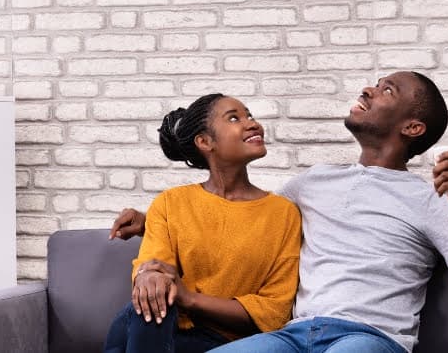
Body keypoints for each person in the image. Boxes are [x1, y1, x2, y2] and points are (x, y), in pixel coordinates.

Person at [110, 71, 448, 353]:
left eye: (386, 90)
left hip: (368, 337)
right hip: (292, 335)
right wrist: (152, 224)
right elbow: (242, 213)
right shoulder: (313, 182)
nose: (368, 90)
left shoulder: (428, 200)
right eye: (374, 84)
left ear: (412, 127)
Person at [103, 93, 303, 353]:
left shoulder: (283, 214)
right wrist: (148, 276)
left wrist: (190, 299)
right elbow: (153, 271)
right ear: (205, 141)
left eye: (250, 115)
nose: (252, 123)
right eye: (234, 118)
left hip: (222, 343)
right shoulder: (170, 203)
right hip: (155, 326)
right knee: (155, 294)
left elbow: (274, 310)